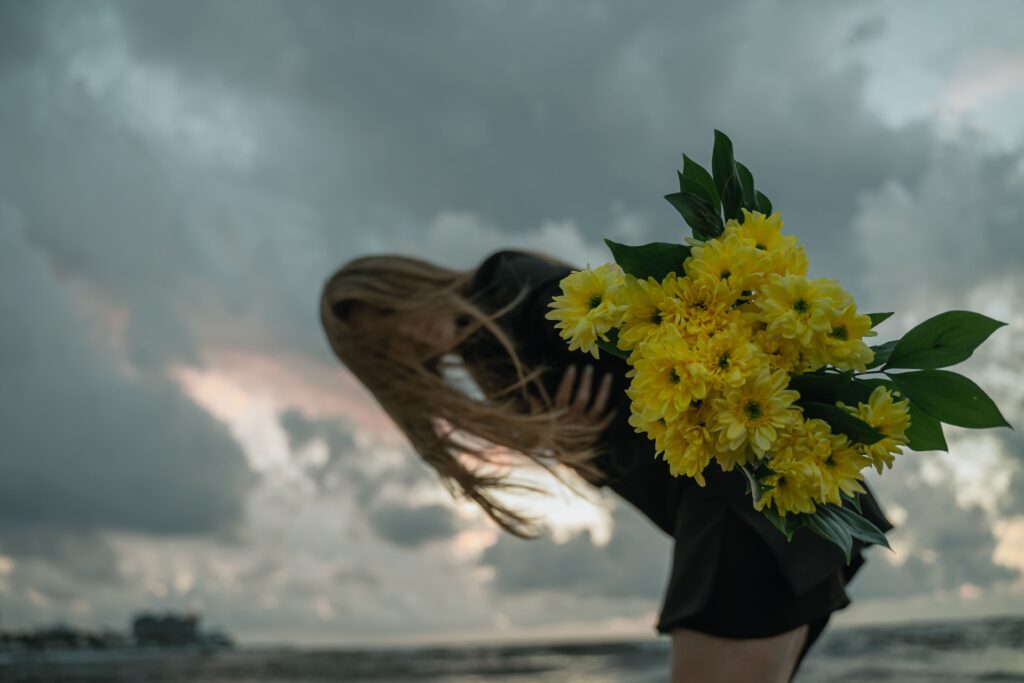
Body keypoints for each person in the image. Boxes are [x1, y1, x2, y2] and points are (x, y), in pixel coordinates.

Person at [319, 247, 895, 683]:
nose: (407, 340)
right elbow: (626, 435)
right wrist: (577, 445)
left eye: (394, 315)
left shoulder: (503, 285)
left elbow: (667, 331)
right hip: (761, 503)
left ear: (406, 283)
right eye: (386, 349)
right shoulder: (488, 357)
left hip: (745, 506)